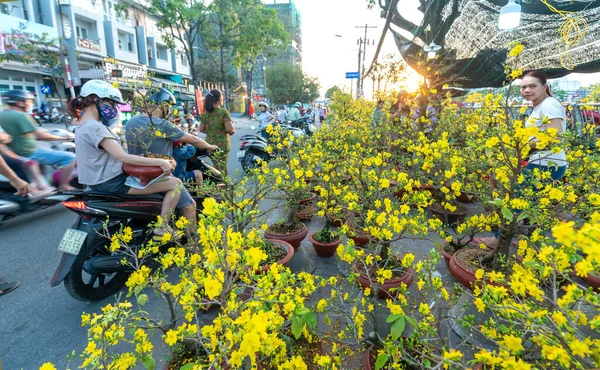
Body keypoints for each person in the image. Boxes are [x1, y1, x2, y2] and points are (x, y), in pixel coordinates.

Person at [70, 80, 183, 238]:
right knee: (175, 184)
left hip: (96, 183)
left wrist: (145, 158)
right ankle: (163, 227)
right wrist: (160, 161)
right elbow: (122, 157)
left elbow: (112, 156)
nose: (114, 109)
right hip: (113, 183)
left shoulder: (82, 126)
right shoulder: (95, 127)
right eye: (110, 103)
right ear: (95, 99)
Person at [481, 70, 568, 248]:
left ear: (544, 87)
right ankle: (528, 242)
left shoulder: (549, 104)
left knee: (515, 201)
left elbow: (555, 137)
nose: (526, 90)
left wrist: (524, 144)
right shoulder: (540, 105)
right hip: (544, 162)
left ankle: (499, 241)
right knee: (529, 204)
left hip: (546, 164)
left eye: (532, 86)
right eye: (523, 87)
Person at [126, 88, 218, 224]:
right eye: (168, 107)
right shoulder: (163, 125)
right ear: (162, 105)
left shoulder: (130, 123)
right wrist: (210, 147)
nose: (169, 111)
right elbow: (192, 139)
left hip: (135, 175)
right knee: (190, 205)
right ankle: (192, 242)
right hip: (160, 175)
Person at [0, 90, 76, 192]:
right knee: (70, 157)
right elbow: (41, 136)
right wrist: (65, 138)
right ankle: (64, 185)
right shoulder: (20, 116)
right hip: (28, 152)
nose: (31, 104)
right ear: (19, 102)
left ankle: (42, 184)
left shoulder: (3, 114)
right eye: (29, 101)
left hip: (14, 152)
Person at [199, 89, 235, 175]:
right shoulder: (223, 112)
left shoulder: (206, 113)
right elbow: (230, 129)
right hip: (221, 145)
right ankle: (223, 186)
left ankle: (216, 184)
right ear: (219, 98)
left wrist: (212, 132)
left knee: (216, 166)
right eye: (222, 96)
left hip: (209, 145)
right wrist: (228, 132)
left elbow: (201, 129)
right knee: (222, 169)